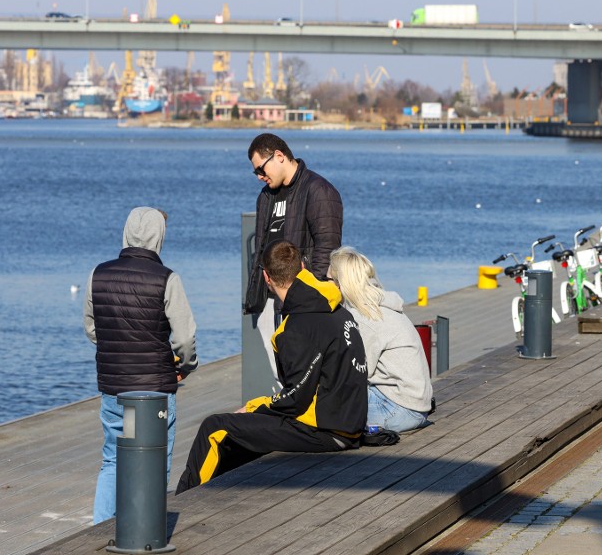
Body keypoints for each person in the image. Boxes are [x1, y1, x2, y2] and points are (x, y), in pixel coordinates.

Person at [176, 240, 367, 494]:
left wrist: (253, 406)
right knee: (240, 437)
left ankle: (183, 503)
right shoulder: (337, 309)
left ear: (266, 277)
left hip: (324, 431)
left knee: (215, 427)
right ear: (302, 267)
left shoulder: (296, 327)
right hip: (348, 425)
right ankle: (220, 497)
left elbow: (295, 399)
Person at [83, 207, 198, 523]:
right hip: (155, 391)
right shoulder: (167, 279)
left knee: (112, 461)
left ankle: (100, 529)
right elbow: (185, 340)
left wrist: (118, 351)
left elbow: (93, 329)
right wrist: (185, 367)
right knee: (153, 462)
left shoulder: (98, 274)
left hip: (113, 388)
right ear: (159, 236)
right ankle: (145, 531)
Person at [243, 133, 343, 390]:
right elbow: (261, 245)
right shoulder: (266, 196)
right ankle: (288, 419)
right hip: (268, 295)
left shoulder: (319, 190)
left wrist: (309, 296)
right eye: (255, 172)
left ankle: (306, 422)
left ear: (278, 156)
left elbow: (327, 248)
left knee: (304, 369)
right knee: (278, 369)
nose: (259, 177)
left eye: (260, 169)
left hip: (301, 298)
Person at [327, 247, 433, 433]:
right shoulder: (382, 307)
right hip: (415, 404)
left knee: (325, 406)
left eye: (328, 279)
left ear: (340, 284)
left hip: (399, 408)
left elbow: (358, 372)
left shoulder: (365, 319)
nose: (324, 284)